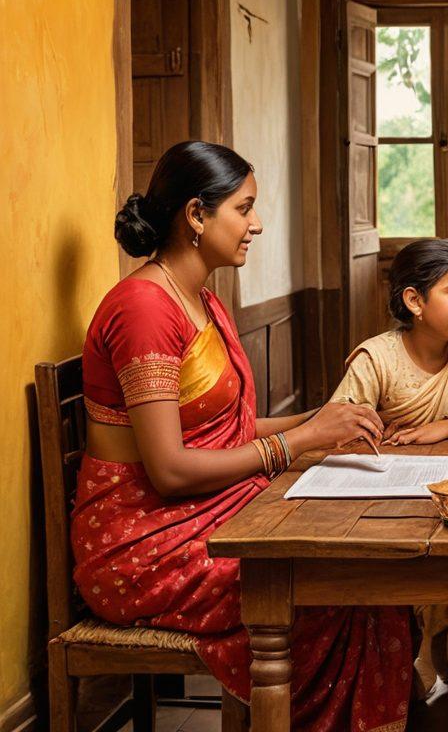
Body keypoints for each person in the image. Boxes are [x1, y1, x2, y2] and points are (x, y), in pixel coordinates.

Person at [73, 141, 413, 731]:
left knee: (363, 568)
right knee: (334, 585)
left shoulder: (200, 300)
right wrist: (298, 443)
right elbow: (172, 469)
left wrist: (325, 422)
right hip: (144, 543)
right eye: (244, 207)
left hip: (201, 514)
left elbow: (223, 432)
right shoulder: (144, 309)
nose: (255, 224)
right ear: (197, 215)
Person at [330, 237, 448, 692]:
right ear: (414, 300)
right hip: (388, 500)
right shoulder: (377, 358)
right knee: (394, 584)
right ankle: (395, 667)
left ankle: (447, 656)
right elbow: (338, 427)